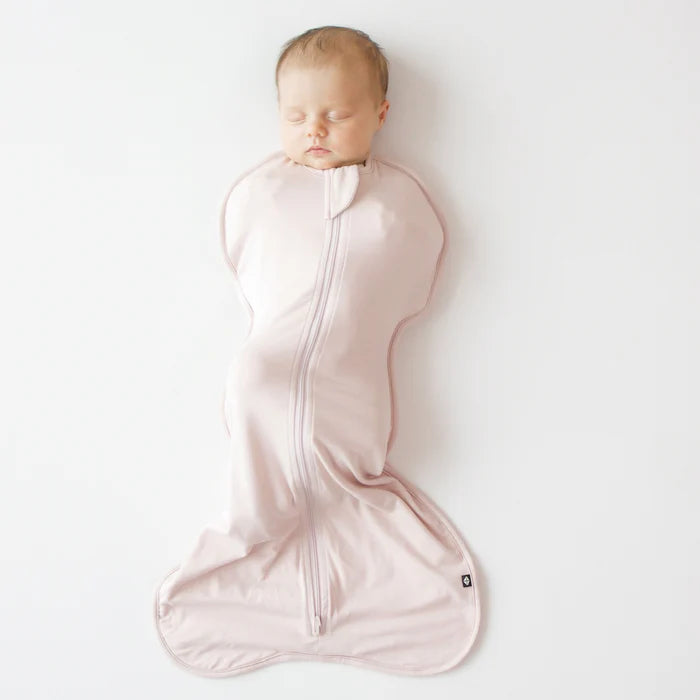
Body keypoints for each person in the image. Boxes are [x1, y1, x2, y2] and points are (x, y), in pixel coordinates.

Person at [154, 25, 480, 678]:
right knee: (261, 440)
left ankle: (347, 589)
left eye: (337, 114)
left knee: (345, 466)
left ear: (381, 115)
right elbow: (246, 261)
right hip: (265, 372)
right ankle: (262, 543)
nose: (315, 130)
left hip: (349, 380)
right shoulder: (265, 192)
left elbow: (411, 283)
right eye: (297, 116)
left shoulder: (398, 201)